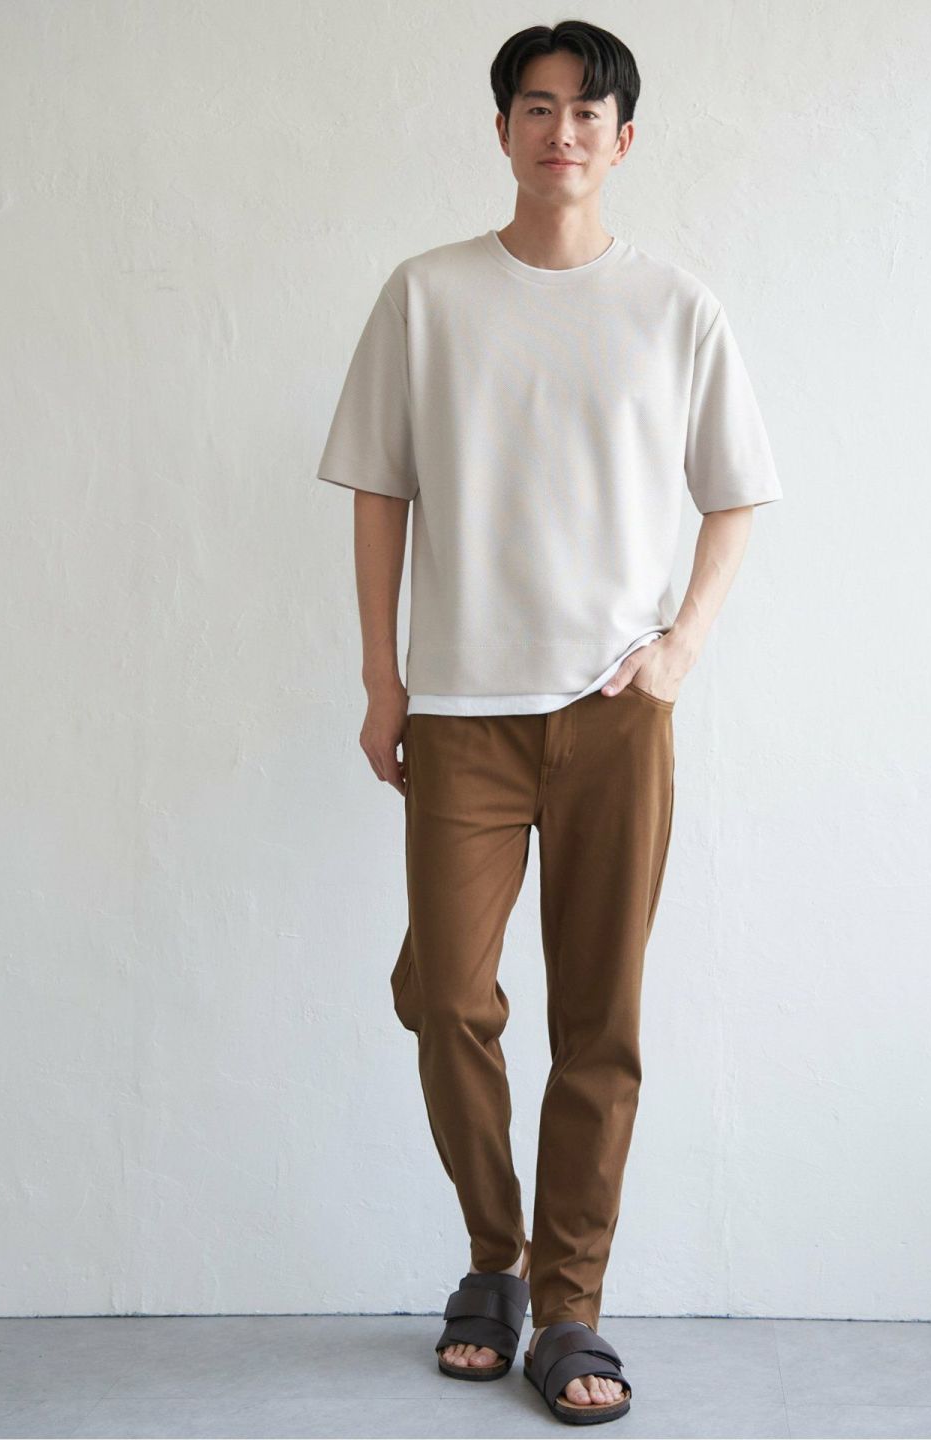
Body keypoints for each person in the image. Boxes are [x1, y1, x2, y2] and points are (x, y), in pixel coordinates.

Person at [316, 18, 782, 1426]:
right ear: (503, 129)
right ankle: (495, 1255)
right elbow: (381, 490)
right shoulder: (427, 295)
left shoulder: (675, 307)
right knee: (448, 997)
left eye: (587, 112)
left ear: (622, 140)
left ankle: (569, 1302)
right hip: (461, 709)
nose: (561, 131)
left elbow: (736, 494)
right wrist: (383, 680)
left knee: (599, 1014)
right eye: (536, 106)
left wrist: (681, 649)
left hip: (614, 713)